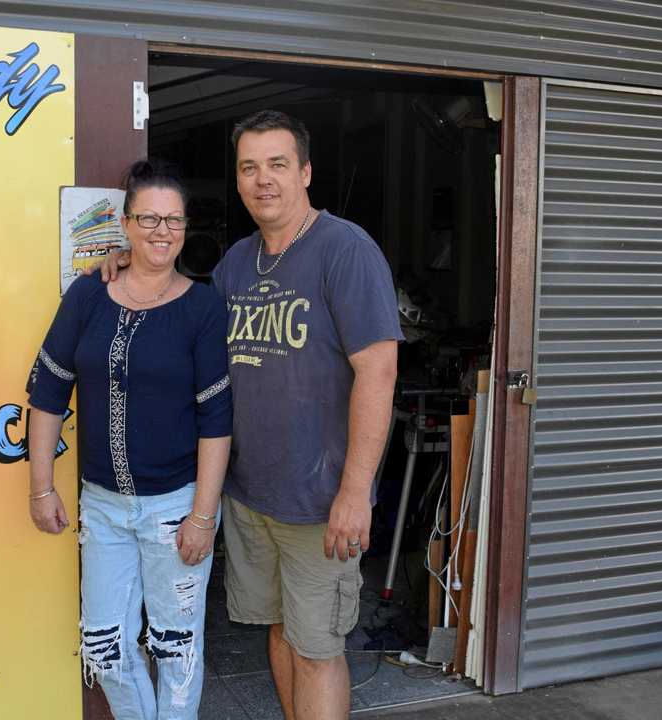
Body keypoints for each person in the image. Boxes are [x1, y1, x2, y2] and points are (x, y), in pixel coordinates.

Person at [97, 111, 401, 720]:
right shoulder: (237, 263)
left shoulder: (344, 249)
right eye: (249, 167)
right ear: (238, 182)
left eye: (278, 164)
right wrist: (122, 267)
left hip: (320, 503)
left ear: (306, 172)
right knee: (279, 632)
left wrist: (355, 491)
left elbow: (378, 373)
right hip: (250, 497)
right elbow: (179, 314)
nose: (264, 180)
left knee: (317, 648)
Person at [27, 160, 232, 720]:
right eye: (148, 218)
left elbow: (217, 420)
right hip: (104, 507)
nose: (161, 231)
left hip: (175, 507)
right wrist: (41, 488)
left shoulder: (202, 308)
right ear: (124, 221)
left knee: (176, 647)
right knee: (105, 647)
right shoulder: (88, 296)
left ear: (186, 227)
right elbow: (48, 392)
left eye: (173, 220)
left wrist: (202, 515)